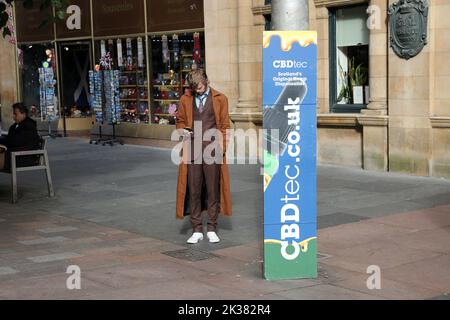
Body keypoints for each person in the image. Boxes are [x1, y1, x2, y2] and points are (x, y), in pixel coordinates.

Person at [175, 69, 232, 244]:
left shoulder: (220, 99)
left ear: (206, 81)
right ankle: (197, 228)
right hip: (192, 151)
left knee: (213, 189)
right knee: (194, 189)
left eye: (199, 87)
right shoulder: (185, 99)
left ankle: (213, 227)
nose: (197, 90)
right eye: (194, 88)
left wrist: (222, 148)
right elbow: (180, 121)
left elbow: (224, 125)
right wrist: (183, 129)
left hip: (213, 151)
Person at [0, 103, 40, 171]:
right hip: (14, 154)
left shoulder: (29, 125)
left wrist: (4, 145)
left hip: (23, 157)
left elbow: (17, 142)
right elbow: (10, 139)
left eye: (15, 114)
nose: (13, 116)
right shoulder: (14, 126)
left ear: (24, 114)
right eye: (13, 114)